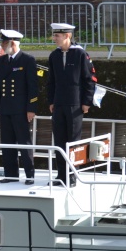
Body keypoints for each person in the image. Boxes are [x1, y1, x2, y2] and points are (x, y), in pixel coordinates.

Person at [46, 23, 97, 188]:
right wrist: (51, 101)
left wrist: (86, 102)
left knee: (73, 141)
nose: (54, 38)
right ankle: (61, 175)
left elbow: (90, 80)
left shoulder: (81, 54)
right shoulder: (54, 56)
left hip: (75, 104)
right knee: (59, 140)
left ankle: (72, 175)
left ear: (67, 36)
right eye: (54, 35)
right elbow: (51, 81)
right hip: (59, 103)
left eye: (57, 36)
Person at [0, 30, 38, 185]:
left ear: (12, 43)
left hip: (21, 109)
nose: (1, 46)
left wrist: (31, 108)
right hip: (5, 108)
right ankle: (11, 174)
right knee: (7, 143)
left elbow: (33, 86)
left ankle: (29, 175)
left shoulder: (27, 60)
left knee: (24, 143)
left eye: (3, 43)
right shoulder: (2, 61)